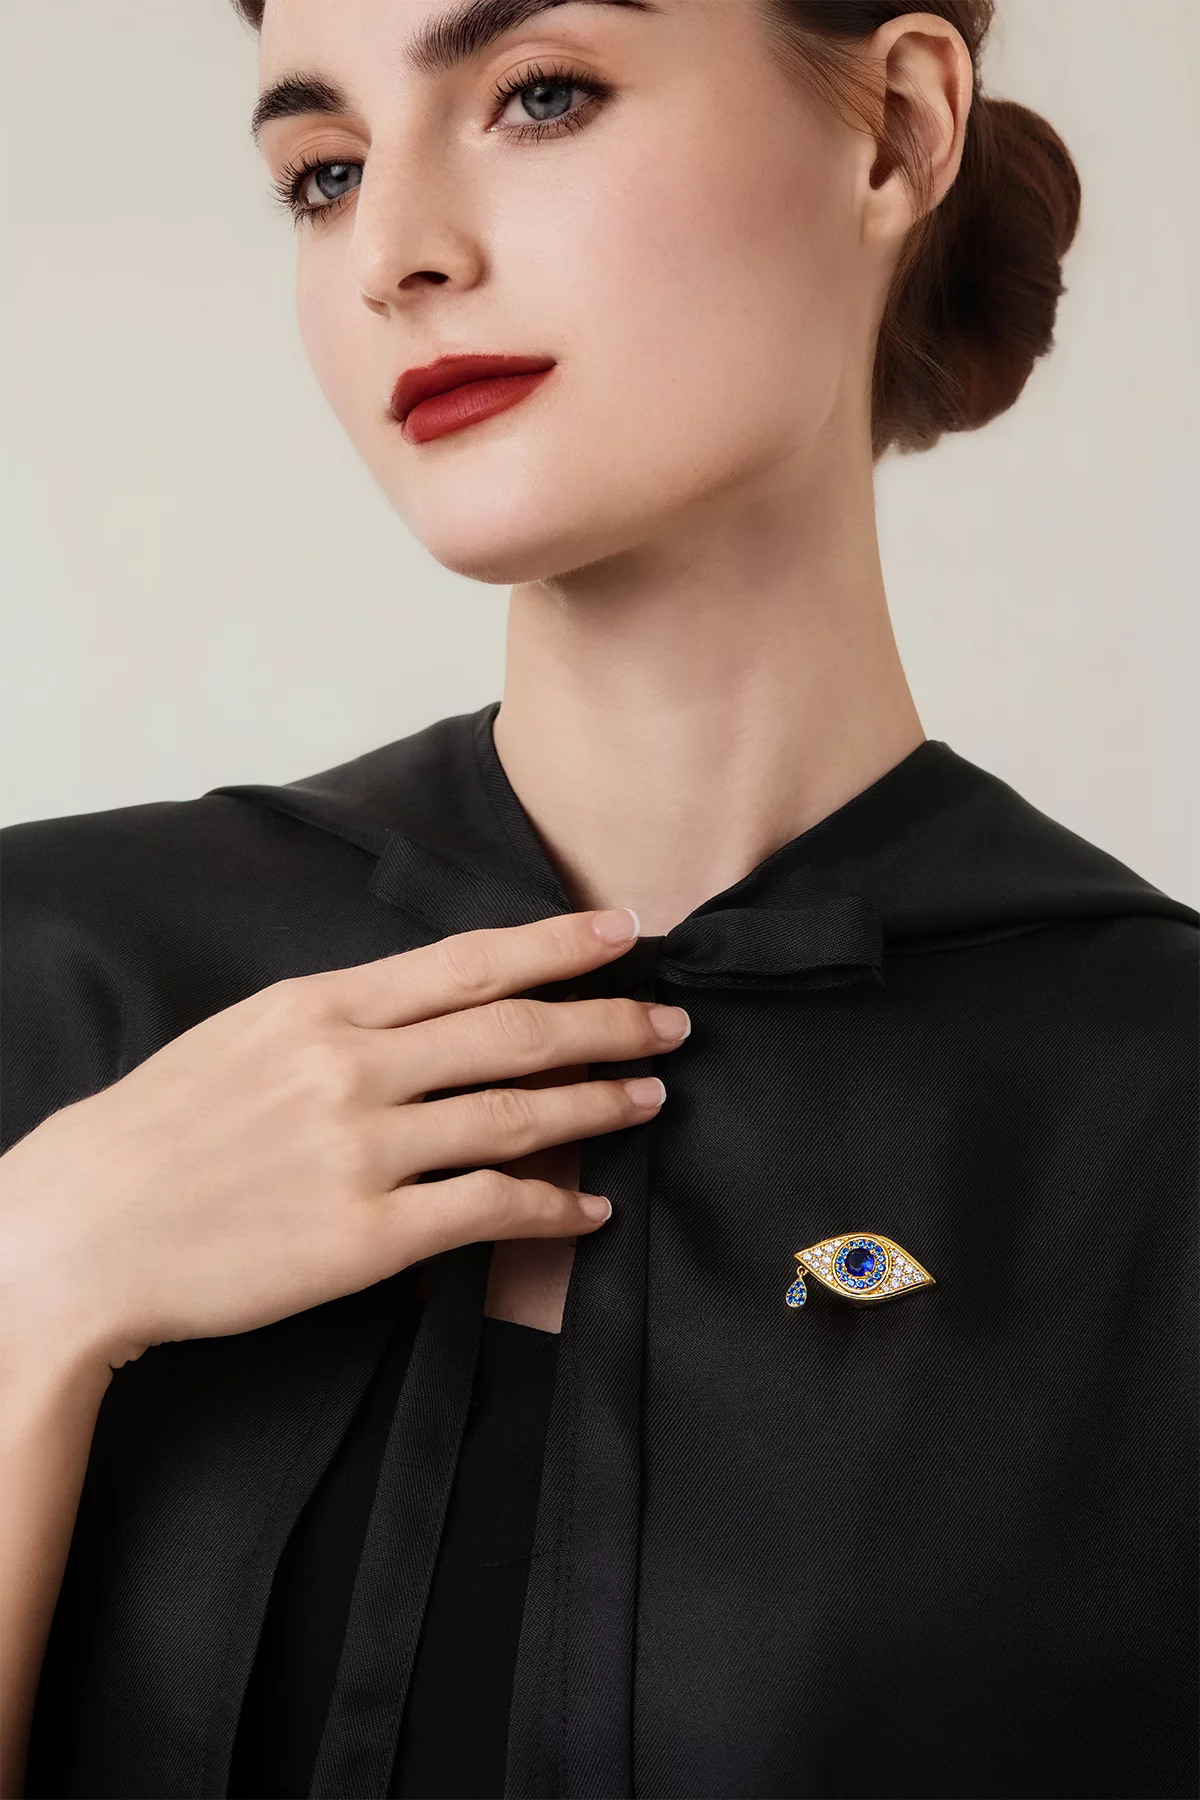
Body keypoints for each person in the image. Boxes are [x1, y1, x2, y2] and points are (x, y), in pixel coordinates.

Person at [1, 0, 1196, 1796]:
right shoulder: (52, 987)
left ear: (895, 127)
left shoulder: (1156, 1120)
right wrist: (39, 1275)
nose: (396, 252)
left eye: (540, 94)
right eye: (323, 173)